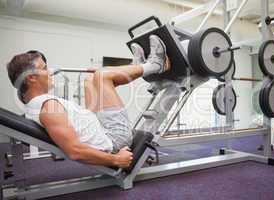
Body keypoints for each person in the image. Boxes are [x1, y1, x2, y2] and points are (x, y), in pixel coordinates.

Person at [6, 35, 170, 168]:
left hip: (99, 127)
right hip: (114, 138)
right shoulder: (48, 107)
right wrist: (116, 160)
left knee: (91, 79)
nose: (49, 72)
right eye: (43, 69)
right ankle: (155, 65)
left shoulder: (34, 103)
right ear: (32, 78)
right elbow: (75, 151)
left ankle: (136, 66)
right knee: (101, 76)